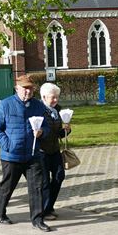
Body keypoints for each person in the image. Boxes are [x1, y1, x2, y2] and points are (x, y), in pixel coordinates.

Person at [0, 75, 51, 232]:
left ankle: (37, 219)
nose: (28, 91)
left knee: (37, 186)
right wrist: (8, 144)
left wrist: (42, 132)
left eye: (30, 88)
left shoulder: (38, 106)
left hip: (33, 154)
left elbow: (47, 127)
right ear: (17, 88)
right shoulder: (6, 105)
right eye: (24, 88)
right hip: (12, 155)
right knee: (7, 186)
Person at [39, 83, 71, 221]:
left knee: (59, 176)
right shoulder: (38, 110)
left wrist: (66, 130)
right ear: (44, 97)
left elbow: (59, 134)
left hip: (55, 150)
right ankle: (43, 210)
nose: (56, 100)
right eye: (53, 98)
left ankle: (49, 205)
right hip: (41, 151)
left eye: (57, 97)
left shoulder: (57, 110)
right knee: (44, 182)